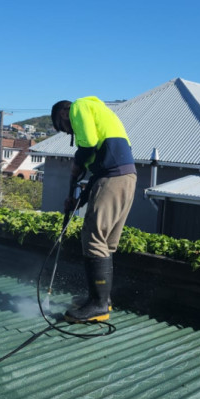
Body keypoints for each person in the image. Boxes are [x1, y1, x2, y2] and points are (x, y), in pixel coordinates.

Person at [51, 96, 136, 322]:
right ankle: (101, 299)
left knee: (93, 238)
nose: (70, 133)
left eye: (66, 130)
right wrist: (80, 200)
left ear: (62, 115)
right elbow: (98, 174)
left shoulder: (79, 106)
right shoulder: (100, 114)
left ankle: (98, 305)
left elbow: (87, 144)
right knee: (106, 242)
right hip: (124, 177)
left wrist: (76, 165)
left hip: (112, 178)